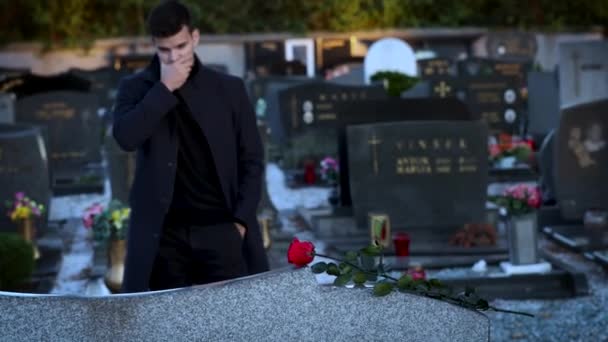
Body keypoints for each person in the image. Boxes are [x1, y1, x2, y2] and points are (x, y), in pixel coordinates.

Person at [112, 0, 269, 292]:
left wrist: (240, 222)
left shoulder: (229, 89)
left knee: (232, 323)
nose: (173, 57)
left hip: (222, 228)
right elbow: (125, 138)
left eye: (181, 47)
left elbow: (252, 159)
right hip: (164, 236)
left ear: (195, 38)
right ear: (154, 46)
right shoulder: (136, 89)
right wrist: (163, 89)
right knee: (168, 326)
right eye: (164, 50)